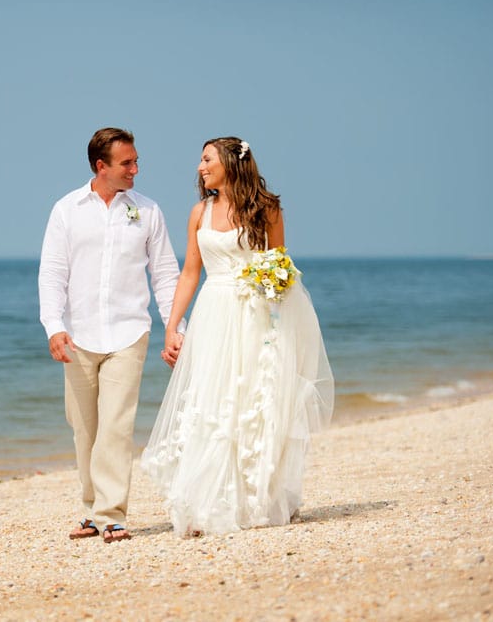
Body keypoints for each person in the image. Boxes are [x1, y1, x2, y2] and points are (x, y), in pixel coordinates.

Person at [141, 136, 334, 537]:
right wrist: (173, 327)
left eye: (207, 159)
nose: (199, 166)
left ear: (231, 162)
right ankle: (206, 502)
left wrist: (276, 308)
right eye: (200, 160)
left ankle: (255, 499)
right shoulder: (199, 212)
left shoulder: (268, 208)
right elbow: (190, 273)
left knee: (252, 399)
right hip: (213, 313)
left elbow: (279, 264)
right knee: (211, 400)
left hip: (255, 315)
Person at [39, 127, 183, 543]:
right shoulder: (66, 210)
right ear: (101, 166)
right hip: (78, 335)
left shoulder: (148, 211)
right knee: (84, 427)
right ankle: (91, 510)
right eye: (128, 163)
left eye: (136, 161)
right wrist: (54, 326)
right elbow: (52, 273)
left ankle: (112, 513)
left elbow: (165, 275)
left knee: (116, 427)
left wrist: (175, 327)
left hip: (129, 332)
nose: (136, 169)